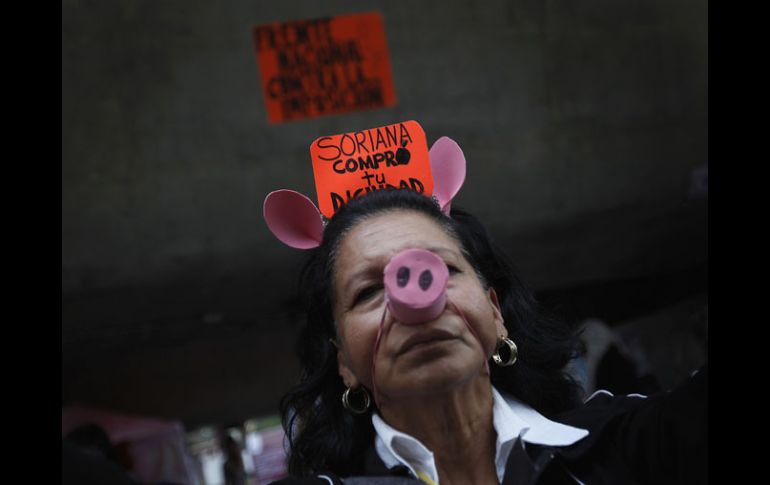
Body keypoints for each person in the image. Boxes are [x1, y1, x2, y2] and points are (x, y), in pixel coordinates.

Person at [264, 138, 707, 485]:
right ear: (344, 363)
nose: (413, 304)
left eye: (440, 269)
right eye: (367, 293)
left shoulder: (632, 444)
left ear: (495, 313)